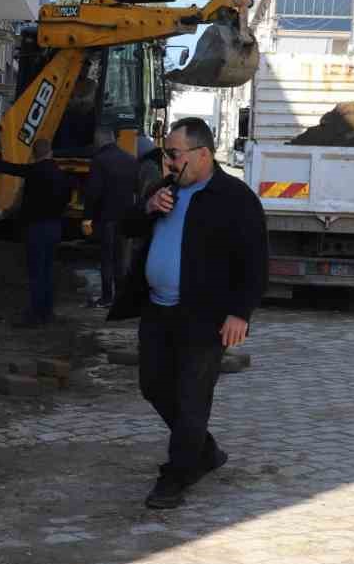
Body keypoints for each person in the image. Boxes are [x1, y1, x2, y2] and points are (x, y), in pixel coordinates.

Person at [109, 118, 268, 510]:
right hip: (159, 312)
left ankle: (177, 475)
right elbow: (126, 226)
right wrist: (147, 207)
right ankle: (205, 451)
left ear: (201, 155)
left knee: (193, 397)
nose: (167, 162)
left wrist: (239, 313)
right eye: (165, 154)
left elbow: (256, 262)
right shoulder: (165, 190)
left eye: (173, 154)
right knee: (153, 385)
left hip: (204, 316)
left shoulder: (235, 198)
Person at [0, 138, 73, 327]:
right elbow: (66, 200)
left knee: (36, 272)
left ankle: (35, 315)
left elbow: (10, 168)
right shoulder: (62, 175)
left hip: (36, 228)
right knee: (48, 271)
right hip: (55, 227)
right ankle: (47, 313)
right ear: (50, 152)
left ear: (34, 154)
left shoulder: (33, 172)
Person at [79, 128, 141, 308]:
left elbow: (93, 193)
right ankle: (121, 296)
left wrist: (87, 218)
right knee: (121, 258)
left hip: (106, 218)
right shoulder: (130, 159)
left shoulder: (99, 161)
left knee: (107, 258)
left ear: (100, 140)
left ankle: (107, 297)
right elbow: (137, 189)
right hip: (126, 217)